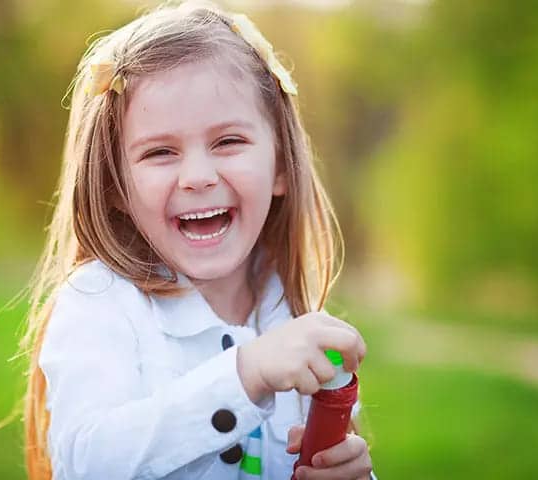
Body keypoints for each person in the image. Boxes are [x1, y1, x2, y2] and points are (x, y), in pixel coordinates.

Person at [20, 1, 376, 479]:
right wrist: (245, 375)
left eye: (228, 142)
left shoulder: (295, 318)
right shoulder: (99, 306)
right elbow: (88, 463)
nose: (198, 176)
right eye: (160, 152)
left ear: (282, 167)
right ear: (115, 187)